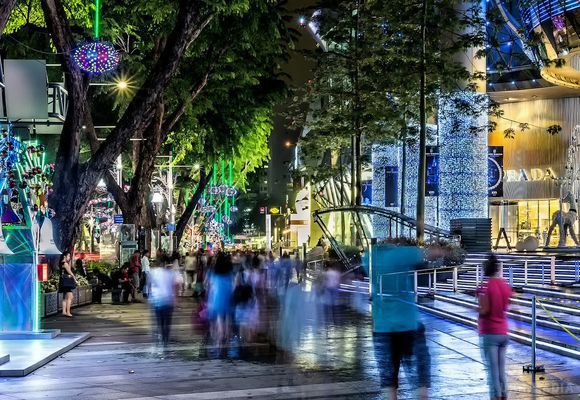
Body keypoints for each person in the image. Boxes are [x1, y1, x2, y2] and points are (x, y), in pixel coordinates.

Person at [477, 254, 512, 400]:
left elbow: (484, 310)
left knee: (492, 372)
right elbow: (508, 303)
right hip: (503, 331)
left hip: (489, 332)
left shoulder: (484, 287)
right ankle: (504, 395)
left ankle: (496, 397)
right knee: (501, 371)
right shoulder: (505, 285)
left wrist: (477, 309)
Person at [149, 256, 180, 348]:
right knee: (167, 322)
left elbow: (150, 286)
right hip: (168, 300)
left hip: (157, 300)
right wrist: (176, 299)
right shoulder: (170, 273)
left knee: (160, 321)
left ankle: (162, 337)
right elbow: (175, 286)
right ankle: (165, 339)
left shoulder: (153, 272)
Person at [207, 252, 234, 345]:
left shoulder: (213, 271)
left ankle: (221, 335)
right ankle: (227, 335)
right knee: (227, 317)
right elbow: (233, 284)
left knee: (219, 317)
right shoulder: (229, 272)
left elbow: (210, 285)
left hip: (217, 297)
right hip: (228, 296)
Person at [58, 251, 79, 317]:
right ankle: (68, 312)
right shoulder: (65, 264)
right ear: (65, 256)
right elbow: (70, 272)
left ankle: (64, 311)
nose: (69, 257)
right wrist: (75, 280)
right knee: (70, 296)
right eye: (69, 256)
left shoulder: (61, 263)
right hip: (66, 282)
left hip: (63, 282)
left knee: (65, 297)